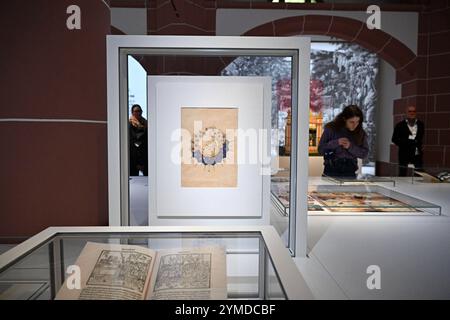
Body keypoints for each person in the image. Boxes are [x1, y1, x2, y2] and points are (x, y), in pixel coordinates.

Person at [318, 105, 369, 178]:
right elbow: (320, 150)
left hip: (350, 172)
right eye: (352, 122)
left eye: (357, 122)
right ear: (344, 119)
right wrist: (336, 143)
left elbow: (364, 154)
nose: (355, 125)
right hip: (330, 172)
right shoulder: (330, 129)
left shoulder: (360, 133)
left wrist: (350, 147)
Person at [391, 105, 424, 176]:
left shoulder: (421, 124)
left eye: (414, 111)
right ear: (406, 113)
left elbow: (420, 138)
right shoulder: (400, 125)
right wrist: (408, 141)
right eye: (410, 111)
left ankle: (418, 187)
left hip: (416, 153)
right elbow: (394, 139)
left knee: (419, 173)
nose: (412, 113)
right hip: (404, 153)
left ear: (416, 113)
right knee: (402, 173)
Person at [129, 104, 148, 176]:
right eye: (136, 111)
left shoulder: (146, 123)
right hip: (133, 155)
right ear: (132, 113)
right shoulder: (129, 124)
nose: (138, 113)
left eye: (140, 111)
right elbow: (132, 139)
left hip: (144, 154)